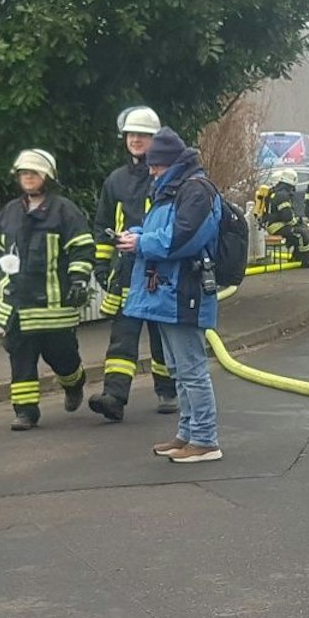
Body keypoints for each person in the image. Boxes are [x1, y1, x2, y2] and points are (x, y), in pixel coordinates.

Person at [115, 127, 224, 463]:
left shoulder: (194, 191)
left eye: (156, 165)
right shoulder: (174, 189)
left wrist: (141, 242)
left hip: (183, 291)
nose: (151, 170)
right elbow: (165, 232)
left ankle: (205, 440)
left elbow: (181, 239)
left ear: (170, 163)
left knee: (191, 368)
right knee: (178, 367)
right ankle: (188, 435)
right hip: (168, 292)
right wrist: (137, 235)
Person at [0, 149, 96, 431]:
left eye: (34, 173)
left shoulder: (64, 211)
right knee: (21, 360)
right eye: (24, 173)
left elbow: (82, 248)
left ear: (47, 177)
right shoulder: (9, 213)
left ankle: (74, 382)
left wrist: (79, 280)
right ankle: (26, 413)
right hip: (17, 306)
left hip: (54, 308)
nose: (28, 178)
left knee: (63, 358)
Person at [89, 106, 177, 422]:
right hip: (126, 271)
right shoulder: (116, 181)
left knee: (161, 332)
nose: (136, 140)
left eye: (143, 135)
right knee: (123, 334)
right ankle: (114, 396)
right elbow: (102, 225)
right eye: (131, 134)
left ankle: (168, 390)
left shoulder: (167, 178)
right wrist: (101, 266)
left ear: (155, 139)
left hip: (159, 269)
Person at [262, 169, 309, 267]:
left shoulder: (278, 193)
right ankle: (307, 261)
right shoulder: (282, 195)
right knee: (301, 233)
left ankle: (297, 257)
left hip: (275, 224)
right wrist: (297, 222)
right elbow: (287, 217)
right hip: (276, 226)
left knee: (301, 229)